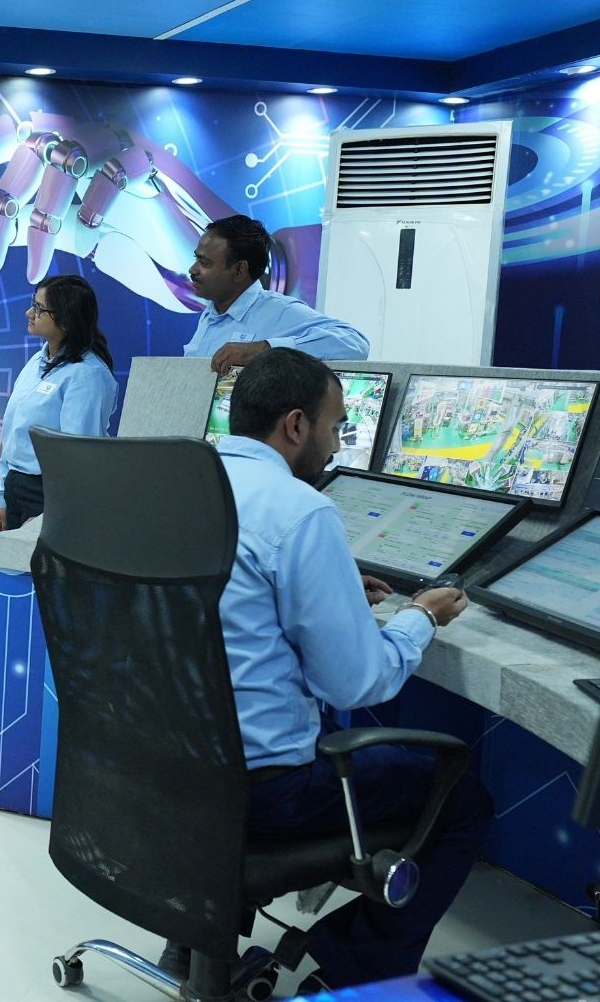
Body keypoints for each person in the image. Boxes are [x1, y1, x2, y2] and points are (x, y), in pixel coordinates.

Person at [176, 347, 491, 990]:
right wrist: (421, 617)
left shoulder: (179, 489)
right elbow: (354, 684)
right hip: (265, 792)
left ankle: (191, 944)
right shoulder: (298, 511)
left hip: (165, 766)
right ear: (295, 425)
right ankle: (349, 968)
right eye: (334, 425)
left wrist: (332, 586)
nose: (336, 440)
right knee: (462, 796)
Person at [0, 274, 119, 532]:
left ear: (66, 319)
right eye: (33, 304)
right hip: (18, 487)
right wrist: (3, 498)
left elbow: (78, 457)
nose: (29, 313)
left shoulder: (87, 375)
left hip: (49, 495)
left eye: (39, 309)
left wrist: (51, 516)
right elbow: (13, 433)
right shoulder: (36, 362)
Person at [184, 215, 370, 374]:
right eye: (196, 259)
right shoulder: (211, 314)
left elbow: (356, 344)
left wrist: (265, 349)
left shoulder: (278, 311)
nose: (192, 270)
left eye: (204, 263)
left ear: (239, 270)